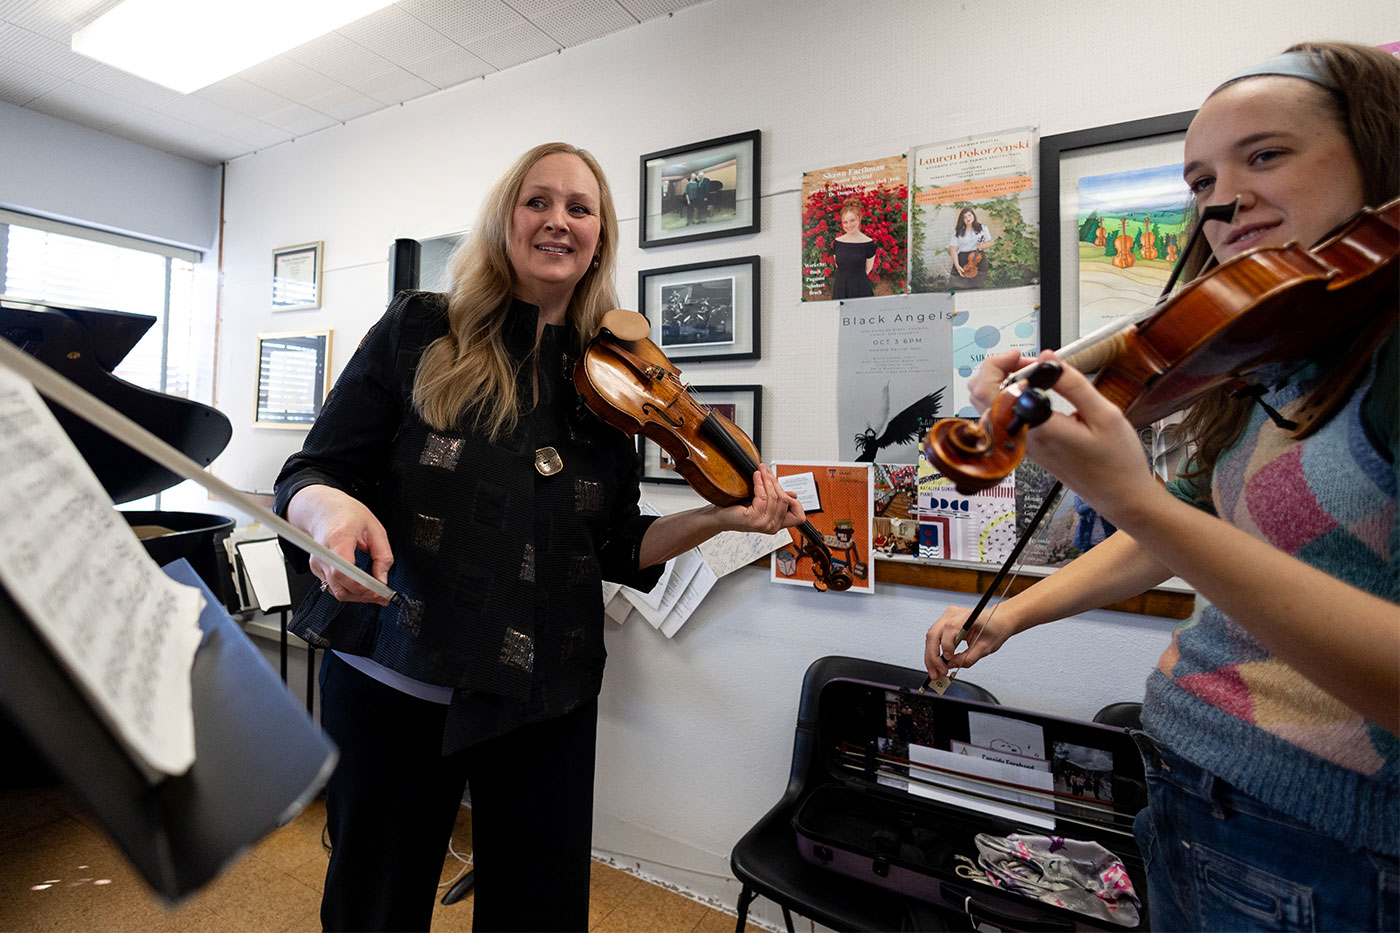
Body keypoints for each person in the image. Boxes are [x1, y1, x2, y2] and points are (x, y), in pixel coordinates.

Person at [923, 42, 1398, 931]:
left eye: (1265, 155)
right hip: (1193, 789)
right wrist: (1013, 613)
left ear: (1381, 152)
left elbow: (1161, 521)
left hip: (1330, 846)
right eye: (1200, 180)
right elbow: (1187, 531)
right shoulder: (1292, 356)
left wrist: (1130, 493)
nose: (1221, 200)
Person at [275, 142, 806, 932]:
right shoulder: (420, 326)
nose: (559, 220)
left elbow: (619, 545)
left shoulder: (610, 382)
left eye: (580, 208)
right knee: (373, 907)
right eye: (538, 201)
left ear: (600, 235)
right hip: (399, 676)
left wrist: (719, 517)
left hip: (543, 694)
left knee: (540, 913)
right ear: (505, 220)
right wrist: (329, 513)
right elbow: (311, 470)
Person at [832, 196, 877, 299]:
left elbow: (867, 269)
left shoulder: (868, 243)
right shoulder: (837, 242)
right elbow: (839, 265)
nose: (849, 225)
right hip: (840, 288)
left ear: (859, 219)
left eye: (852, 220)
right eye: (845, 222)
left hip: (860, 288)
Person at [948, 207, 992, 283]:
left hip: (978, 259)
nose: (968, 218)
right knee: (958, 285)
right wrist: (957, 265)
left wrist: (982, 246)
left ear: (973, 215)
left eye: (969, 215)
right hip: (963, 259)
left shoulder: (982, 228)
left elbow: (989, 243)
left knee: (979, 285)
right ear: (962, 220)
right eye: (964, 217)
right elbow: (953, 249)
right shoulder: (958, 231)